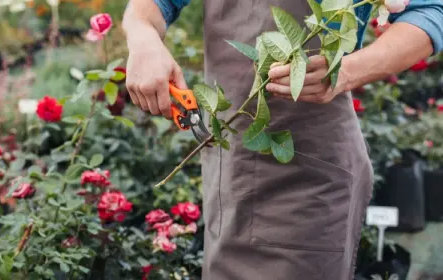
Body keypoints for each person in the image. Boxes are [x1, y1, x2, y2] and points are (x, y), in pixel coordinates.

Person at [122, 0, 443, 279]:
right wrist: (144, 40)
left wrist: (344, 71)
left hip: (307, 179)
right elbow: (148, 8)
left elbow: (429, 11)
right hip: (230, 168)